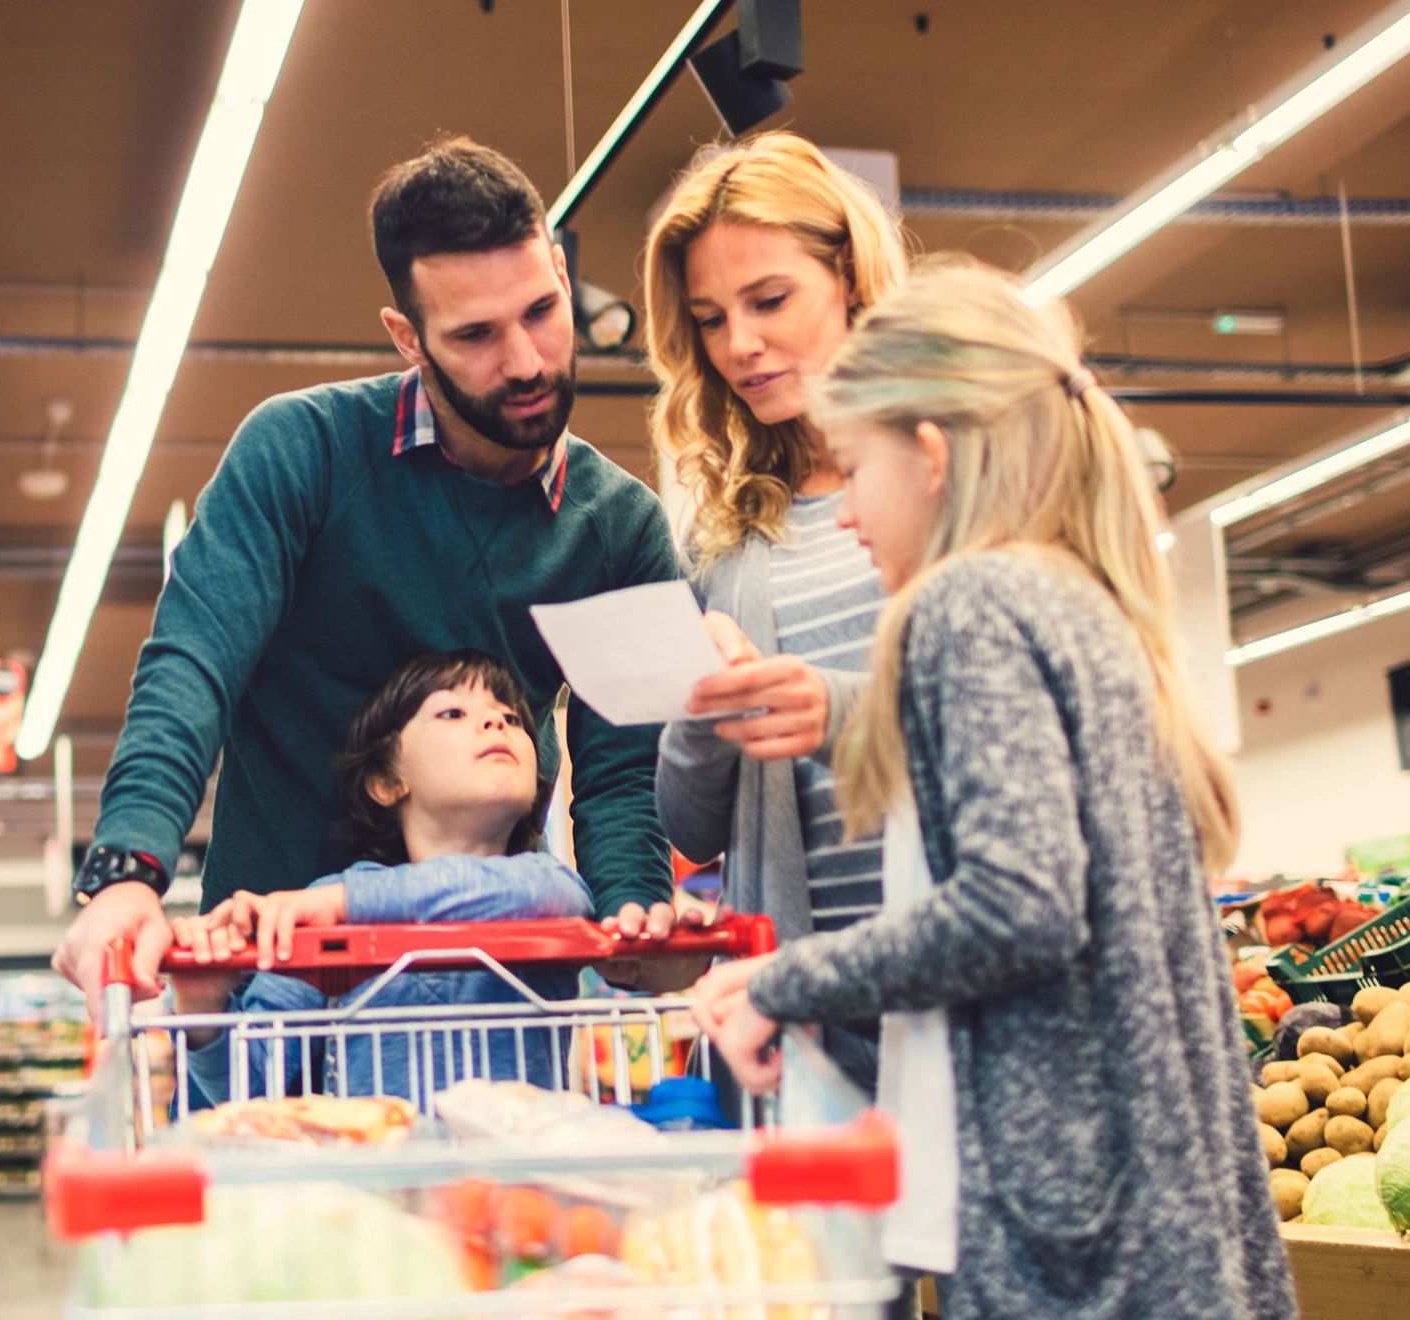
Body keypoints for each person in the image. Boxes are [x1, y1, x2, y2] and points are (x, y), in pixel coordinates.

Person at [690, 259, 1297, 1320]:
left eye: (854, 468)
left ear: (929, 458)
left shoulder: (965, 603)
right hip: (1166, 1216)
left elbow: (1019, 906)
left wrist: (785, 981)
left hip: (1065, 1234)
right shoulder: (1081, 599)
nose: (847, 516)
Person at [52, 138, 681, 1016]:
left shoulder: (622, 530)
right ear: (408, 339)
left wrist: (631, 920)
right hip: (274, 980)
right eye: (475, 335)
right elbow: (194, 663)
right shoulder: (302, 452)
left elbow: (621, 776)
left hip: (491, 984)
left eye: (542, 311)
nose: (529, 361)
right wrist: (129, 869)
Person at [642, 133, 907, 1088]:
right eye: (711, 318)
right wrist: (704, 709)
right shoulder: (727, 538)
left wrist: (828, 705)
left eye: (770, 300)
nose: (740, 346)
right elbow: (691, 825)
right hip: (802, 1023)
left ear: (850, 276)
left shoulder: (955, 484)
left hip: (966, 989)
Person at [170, 650, 591, 1103]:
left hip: (520, 1172)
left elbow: (559, 899)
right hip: (380, 1168)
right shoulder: (329, 906)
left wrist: (344, 902)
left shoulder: (543, 882)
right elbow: (252, 1087)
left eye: (511, 718)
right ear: (387, 782)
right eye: (453, 712)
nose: (496, 724)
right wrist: (202, 1007)